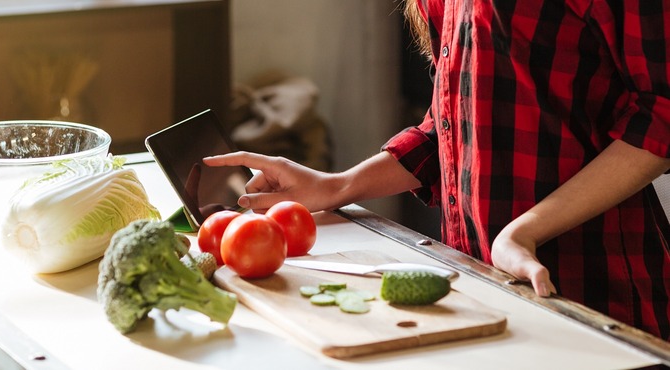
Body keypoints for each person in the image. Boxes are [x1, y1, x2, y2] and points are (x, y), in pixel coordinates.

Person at [206, 1, 670, 339]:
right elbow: (452, 123)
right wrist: (338, 186)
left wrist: (525, 230)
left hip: (593, 288)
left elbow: (662, 117)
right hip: (477, 281)